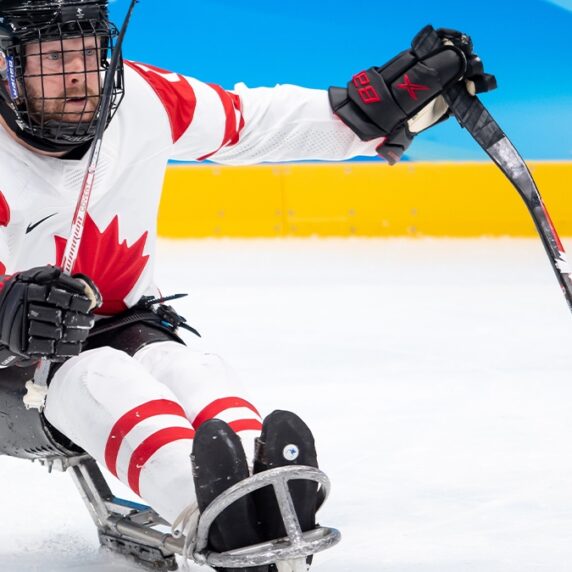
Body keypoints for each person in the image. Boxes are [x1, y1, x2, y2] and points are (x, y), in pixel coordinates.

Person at [0, 1, 495, 570]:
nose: (78, 78)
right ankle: (215, 520)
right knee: (98, 375)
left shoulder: (142, 98)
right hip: (14, 367)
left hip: (122, 323)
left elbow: (249, 121)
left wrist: (366, 110)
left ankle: (270, 502)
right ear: (6, 65)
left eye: (88, 54)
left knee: (190, 368)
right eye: (54, 58)